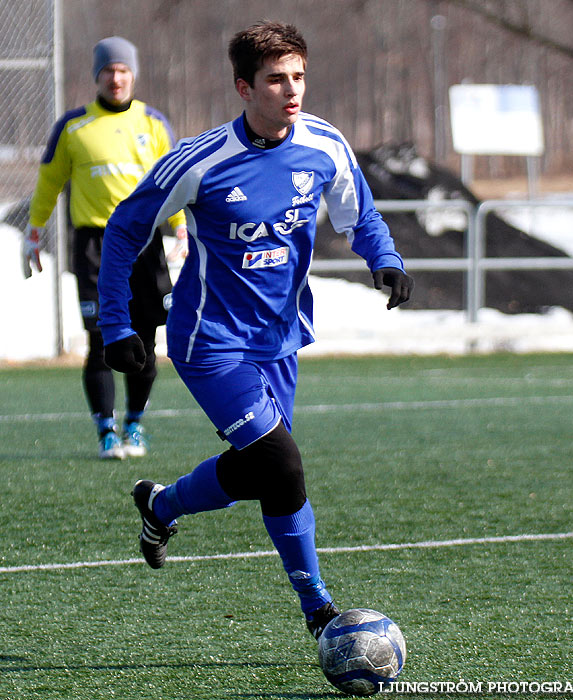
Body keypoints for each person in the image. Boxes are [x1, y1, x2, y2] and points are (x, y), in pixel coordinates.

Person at [97, 22, 414, 639]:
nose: (291, 90)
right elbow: (124, 230)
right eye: (275, 79)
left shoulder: (324, 144)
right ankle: (319, 609)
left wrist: (386, 259)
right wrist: (117, 321)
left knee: (262, 470)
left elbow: (361, 213)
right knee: (283, 464)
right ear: (245, 87)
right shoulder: (202, 160)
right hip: (210, 341)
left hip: (282, 337)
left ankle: (161, 505)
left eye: (298, 76)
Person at [24, 36, 187, 460]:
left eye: (123, 71)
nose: (116, 78)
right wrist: (34, 229)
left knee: (146, 341)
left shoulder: (153, 123)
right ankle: (106, 431)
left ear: (133, 75)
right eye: (108, 71)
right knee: (100, 339)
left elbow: (173, 184)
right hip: (95, 245)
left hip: (145, 243)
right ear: (97, 76)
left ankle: (134, 425)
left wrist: (181, 229)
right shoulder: (73, 126)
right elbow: (48, 181)